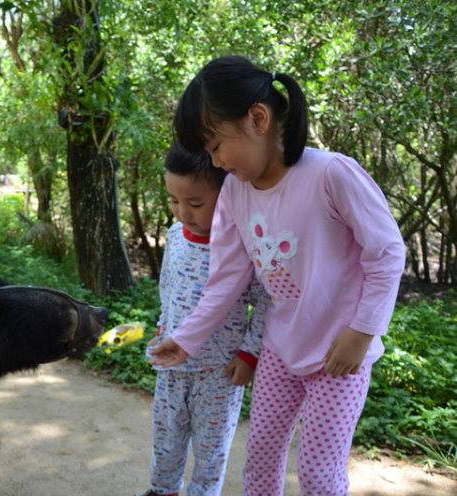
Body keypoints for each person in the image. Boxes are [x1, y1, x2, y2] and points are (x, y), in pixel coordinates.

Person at [150, 55, 406, 495]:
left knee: (319, 475)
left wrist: (363, 331)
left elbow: (386, 253)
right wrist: (187, 337)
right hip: (279, 350)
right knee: (260, 465)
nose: (215, 160)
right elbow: (226, 280)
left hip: (339, 355)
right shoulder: (234, 190)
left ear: (257, 118)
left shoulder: (331, 174)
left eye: (215, 146)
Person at [141, 144, 268, 496]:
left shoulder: (244, 246)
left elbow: (266, 304)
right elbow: (168, 287)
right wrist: (162, 328)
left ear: (227, 194)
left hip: (219, 374)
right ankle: (162, 489)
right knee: (166, 442)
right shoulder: (175, 237)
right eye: (174, 201)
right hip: (171, 368)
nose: (183, 212)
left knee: (211, 453)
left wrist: (249, 353)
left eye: (195, 203)